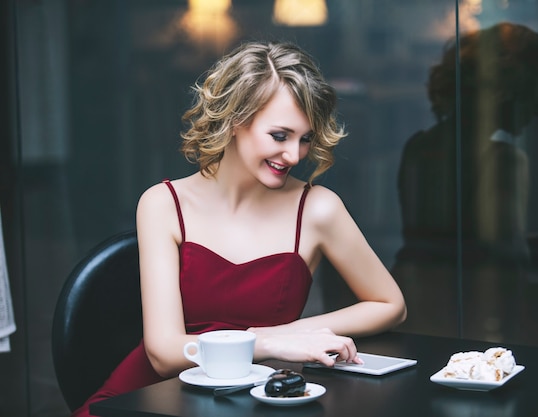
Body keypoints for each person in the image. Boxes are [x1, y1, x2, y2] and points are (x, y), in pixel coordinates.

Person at [72, 41, 406, 416]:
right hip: (151, 399)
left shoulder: (317, 208)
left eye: (305, 138)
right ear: (234, 119)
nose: (295, 155)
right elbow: (164, 354)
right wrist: (263, 343)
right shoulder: (163, 204)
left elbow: (389, 305)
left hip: (253, 400)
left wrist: (293, 333)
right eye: (280, 136)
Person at [392, 22, 538, 340]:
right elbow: (507, 263)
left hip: (412, 306)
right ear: (506, 90)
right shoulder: (505, 160)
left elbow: (454, 240)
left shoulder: (419, 146)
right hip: (473, 318)